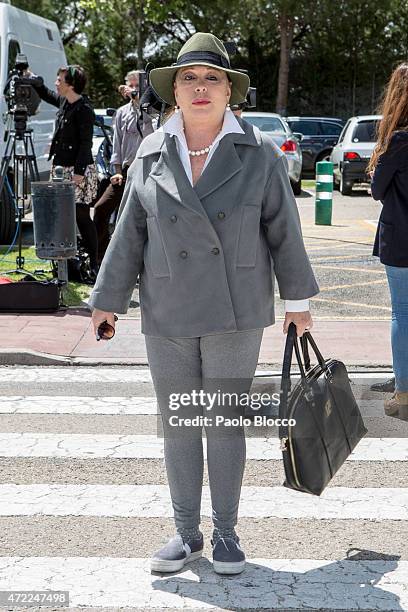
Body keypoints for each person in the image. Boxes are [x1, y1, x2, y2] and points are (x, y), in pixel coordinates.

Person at [88, 32, 319, 575]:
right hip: (166, 308)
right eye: (189, 78)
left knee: (222, 423)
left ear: (229, 92)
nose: (199, 88)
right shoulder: (150, 152)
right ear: (175, 91)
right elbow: (129, 232)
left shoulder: (259, 152)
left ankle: (227, 533)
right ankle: (186, 533)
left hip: (235, 312)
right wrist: (106, 300)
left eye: (211, 78)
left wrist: (298, 301)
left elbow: (284, 230)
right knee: (179, 424)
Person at [26, 65, 99, 278]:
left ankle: (93, 264)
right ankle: (65, 262)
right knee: (61, 216)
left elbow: (86, 143)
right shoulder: (65, 102)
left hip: (78, 170)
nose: (56, 83)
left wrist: (78, 172)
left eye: (59, 80)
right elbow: (47, 94)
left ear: (70, 84)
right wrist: (33, 79)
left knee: (81, 216)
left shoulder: (84, 108)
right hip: (61, 168)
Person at [368, 62, 408, 416]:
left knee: (402, 312)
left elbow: (377, 190)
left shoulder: (398, 140)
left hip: (401, 241)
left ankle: (403, 392)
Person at [93, 70, 154, 263]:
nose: (134, 89)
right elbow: (117, 146)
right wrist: (117, 172)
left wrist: (141, 103)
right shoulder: (121, 113)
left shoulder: (154, 110)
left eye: (138, 85)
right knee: (101, 208)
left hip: (150, 169)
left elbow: (154, 132)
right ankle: (102, 258)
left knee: (146, 216)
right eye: (131, 85)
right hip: (127, 172)